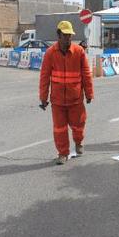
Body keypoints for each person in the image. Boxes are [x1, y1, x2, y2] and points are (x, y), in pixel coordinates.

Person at [39, 21, 94, 165]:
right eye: (65, 35)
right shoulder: (50, 53)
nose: (68, 39)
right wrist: (43, 98)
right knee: (59, 129)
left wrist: (89, 93)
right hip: (57, 101)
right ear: (58, 35)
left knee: (78, 126)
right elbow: (44, 76)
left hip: (75, 99)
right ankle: (63, 153)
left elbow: (86, 74)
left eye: (70, 36)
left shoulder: (79, 52)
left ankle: (78, 142)